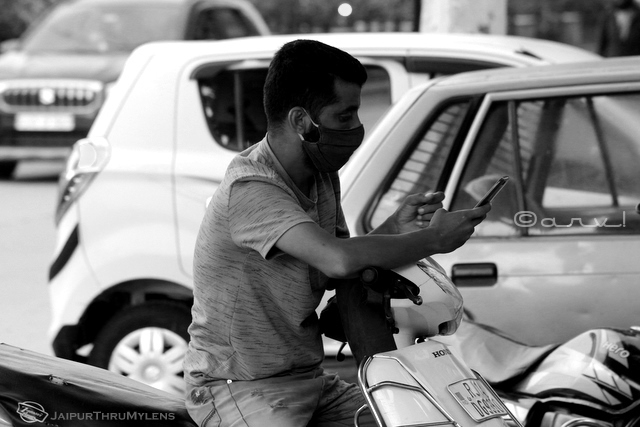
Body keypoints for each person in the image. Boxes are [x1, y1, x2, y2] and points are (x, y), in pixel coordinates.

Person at [183, 39, 490, 427]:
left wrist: (397, 226)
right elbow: (338, 258)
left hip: (307, 380)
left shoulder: (321, 176)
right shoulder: (251, 188)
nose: (356, 127)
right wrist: (434, 240)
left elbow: (333, 264)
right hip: (236, 387)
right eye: (344, 116)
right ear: (301, 121)